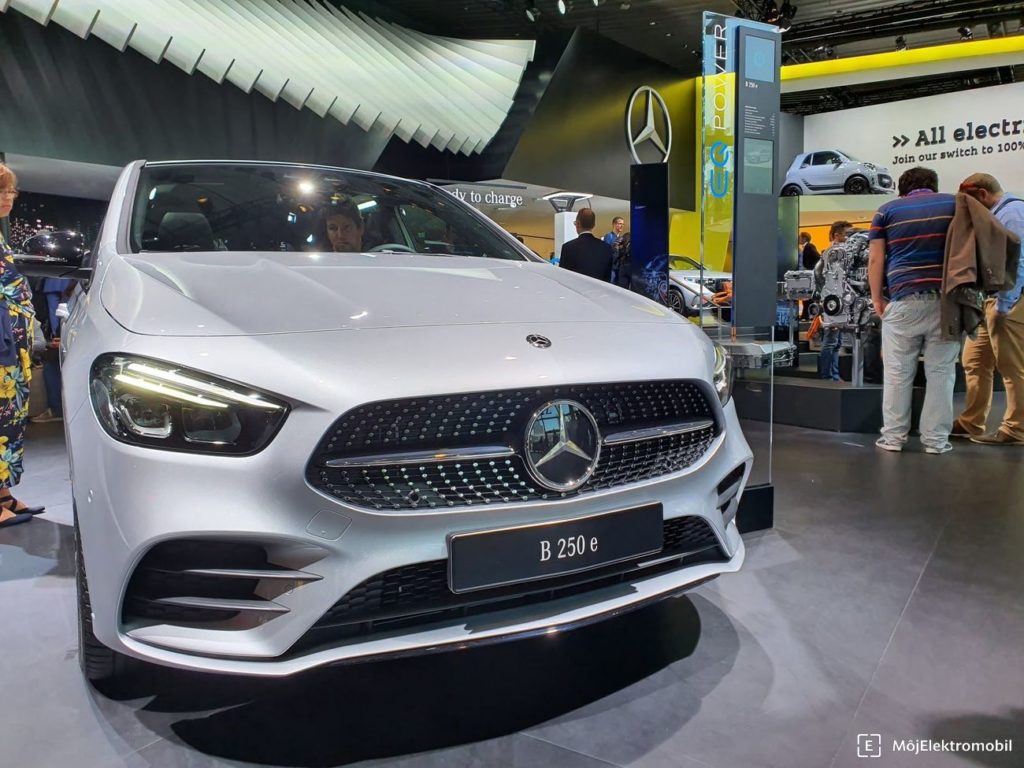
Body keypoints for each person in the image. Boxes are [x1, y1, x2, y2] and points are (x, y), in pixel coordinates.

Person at [868, 167, 959, 454]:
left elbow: (876, 259)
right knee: (941, 373)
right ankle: (936, 441)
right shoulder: (954, 205)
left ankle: (893, 438)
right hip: (947, 302)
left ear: (902, 188)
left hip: (903, 298)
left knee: (897, 373)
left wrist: (876, 297)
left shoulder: (886, 211)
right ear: (933, 185)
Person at [951, 173, 1024, 446]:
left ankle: (1016, 429)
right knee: (974, 361)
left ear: (982, 194)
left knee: (1012, 366)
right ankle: (971, 421)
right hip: (992, 302)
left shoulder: (1012, 213)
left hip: (1010, 301)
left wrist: (1005, 304)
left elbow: (1019, 262)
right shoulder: (1001, 214)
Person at [0, 163, 46, 527]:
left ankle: (3, 494)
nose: (8, 197)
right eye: (1, 190)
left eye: (11, 190)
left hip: (12, 350)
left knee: (10, 420)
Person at [814, 220, 851, 381]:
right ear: (837, 235)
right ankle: (828, 376)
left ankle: (833, 375)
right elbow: (818, 274)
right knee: (831, 341)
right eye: (847, 235)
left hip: (839, 302)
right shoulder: (832, 254)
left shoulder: (840, 253)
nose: (850, 239)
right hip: (833, 303)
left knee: (836, 342)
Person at [559, 208, 613, 281]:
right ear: (593, 225)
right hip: (597, 288)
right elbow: (607, 278)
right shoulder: (606, 248)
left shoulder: (567, 247)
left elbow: (563, 277)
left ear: (578, 224)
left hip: (575, 287)